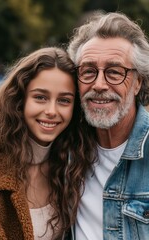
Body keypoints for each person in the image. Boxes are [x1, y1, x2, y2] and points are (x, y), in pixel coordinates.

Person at [0, 47, 95, 240]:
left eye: (64, 100)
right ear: (20, 100)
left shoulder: (73, 167)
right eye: (40, 97)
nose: (51, 111)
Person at [67, 11, 149, 240]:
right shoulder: (64, 150)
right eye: (89, 71)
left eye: (114, 72)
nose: (99, 84)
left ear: (137, 83)